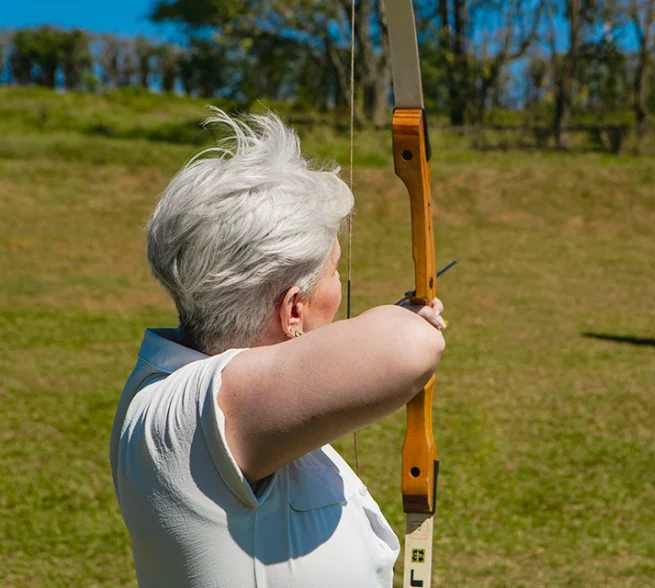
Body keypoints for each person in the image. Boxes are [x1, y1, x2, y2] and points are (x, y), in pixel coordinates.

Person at [109, 108, 446, 587]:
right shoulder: (193, 413)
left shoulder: (173, 383)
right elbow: (409, 346)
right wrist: (407, 322)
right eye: (334, 273)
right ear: (293, 309)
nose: (339, 289)